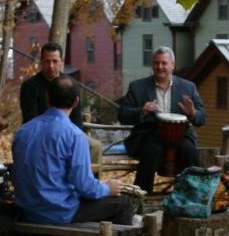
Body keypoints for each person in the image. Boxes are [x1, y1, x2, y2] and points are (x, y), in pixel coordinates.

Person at [12, 75, 132, 226]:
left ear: (47, 98)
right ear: (76, 102)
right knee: (124, 204)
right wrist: (108, 188)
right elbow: (85, 186)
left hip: (26, 211)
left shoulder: (23, 131)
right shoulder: (75, 135)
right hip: (57, 214)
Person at [118, 46, 207, 193]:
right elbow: (123, 115)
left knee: (189, 151)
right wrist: (141, 111)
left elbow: (203, 117)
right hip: (149, 133)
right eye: (156, 63)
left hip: (181, 134)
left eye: (164, 63)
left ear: (173, 65)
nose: (160, 67)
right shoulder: (137, 87)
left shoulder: (188, 87)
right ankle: (140, 199)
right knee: (151, 151)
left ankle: (192, 196)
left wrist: (192, 113)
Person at [20, 42, 101, 166]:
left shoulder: (71, 84)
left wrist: (72, 138)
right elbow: (30, 120)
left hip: (68, 132)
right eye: (47, 61)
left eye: (55, 61)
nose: (51, 66)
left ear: (62, 61)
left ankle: (90, 181)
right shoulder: (30, 86)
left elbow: (76, 119)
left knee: (95, 146)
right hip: (40, 134)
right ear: (41, 62)